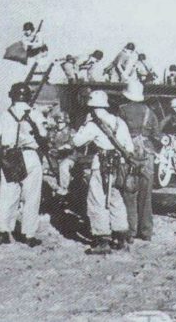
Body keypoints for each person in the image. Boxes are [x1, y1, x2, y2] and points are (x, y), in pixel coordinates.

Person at [72, 90, 134, 254]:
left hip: (101, 166)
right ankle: (121, 237)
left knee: (97, 201)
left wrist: (83, 126)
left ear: (91, 106)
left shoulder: (92, 124)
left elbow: (77, 141)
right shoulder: (120, 122)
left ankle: (102, 240)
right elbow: (130, 148)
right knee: (116, 199)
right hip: (119, 167)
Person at [0, 82, 48, 247]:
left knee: (7, 195)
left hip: (9, 156)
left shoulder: (4, 115)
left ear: (12, 96)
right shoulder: (34, 113)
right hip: (30, 155)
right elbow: (43, 134)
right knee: (32, 197)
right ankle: (28, 235)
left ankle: (2, 232)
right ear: (28, 96)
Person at [118, 82, 159, 242]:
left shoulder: (122, 110)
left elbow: (118, 132)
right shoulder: (150, 112)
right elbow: (156, 134)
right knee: (146, 194)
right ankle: (146, 231)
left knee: (129, 192)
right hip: (148, 154)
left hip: (129, 154)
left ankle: (130, 232)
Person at [47, 111, 77, 198]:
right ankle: (55, 188)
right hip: (56, 156)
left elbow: (73, 143)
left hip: (69, 156)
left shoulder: (71, 131)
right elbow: (49, 143)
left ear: (66, 122)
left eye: (61, 122)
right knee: (45, 169)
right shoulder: (53, 132)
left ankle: (64, 189)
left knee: (63, 166)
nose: (59, 124)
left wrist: (66, 146)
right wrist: (51, 148)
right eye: (58, 122)